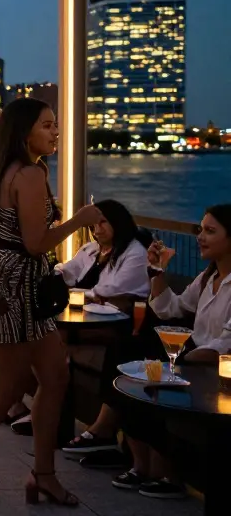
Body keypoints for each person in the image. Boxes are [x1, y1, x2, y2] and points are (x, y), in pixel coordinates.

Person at [0, 98, 100, 507]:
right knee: (7, 389)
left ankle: (43, 474)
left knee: (55, 376)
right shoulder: (30, 174)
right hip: (15, 287)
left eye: (56, 125)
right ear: (24, 132)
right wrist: (79, 220)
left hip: (8, 280)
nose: (55, 132)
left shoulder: (6, 170)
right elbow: (35, 244)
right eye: (48, 126)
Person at [112, 204, 231, 498]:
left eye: (210, 231)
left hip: (217, 369)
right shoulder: (208, 277)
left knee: (147, 362)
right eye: (200, 230)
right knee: (127, 355)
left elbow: (225, 345)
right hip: (195, 362)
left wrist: (181, 361)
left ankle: (167, 473)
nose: (200, 237)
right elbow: (169, 308)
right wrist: (156, 271)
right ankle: (144, 464)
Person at [54, 199, 152, 456]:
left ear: (118, 223)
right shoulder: (91, 250)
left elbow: (109, 291)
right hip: (87, 318)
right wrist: (59, 279)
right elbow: (67, 270)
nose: (97, 229)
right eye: (94, 224)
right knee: (46, 336)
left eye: (103, 222)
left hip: (119, 323)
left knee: (54, 339)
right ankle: (46, 415)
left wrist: (79, 293)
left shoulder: (134, 253)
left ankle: (93, 428)